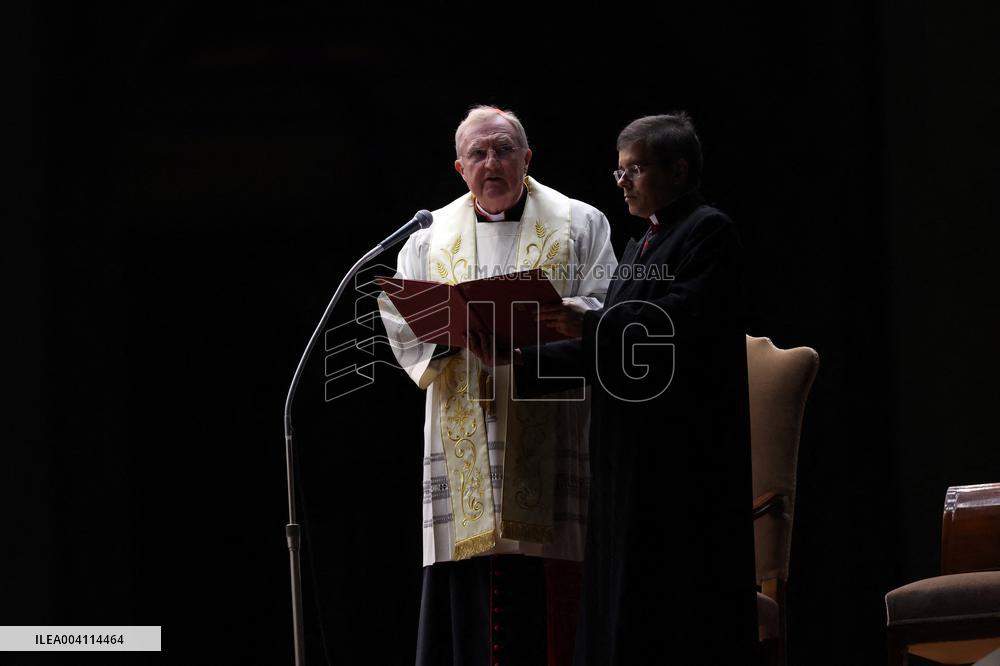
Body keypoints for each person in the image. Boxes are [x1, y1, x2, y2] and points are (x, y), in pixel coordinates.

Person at [377, 105, 618, 666]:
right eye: (479, 154)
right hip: (466, 432)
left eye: (504, 150)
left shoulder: (581, 222)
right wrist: (455, 335)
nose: (493, 163)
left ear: (527, 158)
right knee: (472, 605)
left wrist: (546, 324)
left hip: (550, 421)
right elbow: (401, 318)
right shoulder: (427, 238)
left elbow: (606, 308)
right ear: (458, 167)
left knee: (550, 608)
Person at [517, 112, 758, 664]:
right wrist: (516, 363)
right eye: (618, 171)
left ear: (678, 170)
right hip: (627, 454)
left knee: (669, 608)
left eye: (635, 170)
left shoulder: (707, 230)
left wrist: (594, 324)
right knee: (620, 600)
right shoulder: (640, 247)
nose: (622, 182)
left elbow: (679, 322)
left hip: (679, 459)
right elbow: (605, 345)